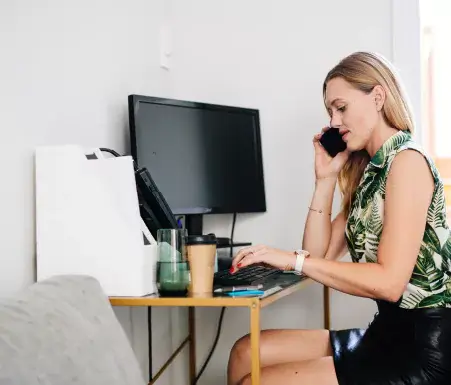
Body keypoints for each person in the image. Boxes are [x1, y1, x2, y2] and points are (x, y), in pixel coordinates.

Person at [226, 51, 451, 385]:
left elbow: (389, 284)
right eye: (330, 111)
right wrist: (325, 180)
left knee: (256, 381)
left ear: (377, 97)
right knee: (246, 352)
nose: (334, 121)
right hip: (386, 334)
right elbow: (318, 257)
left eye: (341, 107)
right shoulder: (371, 173)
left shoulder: (407, 163)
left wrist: (291, 260)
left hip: (421, 348)